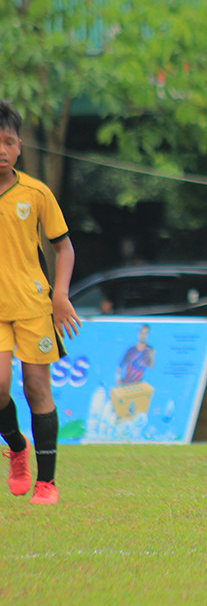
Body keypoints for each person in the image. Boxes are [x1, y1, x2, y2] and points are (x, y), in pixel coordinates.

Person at [0, 99, 81, 505]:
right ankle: (17, 446)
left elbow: (64, 248)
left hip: (34, 307)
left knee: (36, 387)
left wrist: (60, 295)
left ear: (19, 147)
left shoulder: (36, 193)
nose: (1, 150)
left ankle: (46, 483)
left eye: (8, 141)